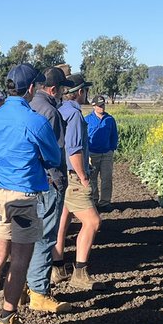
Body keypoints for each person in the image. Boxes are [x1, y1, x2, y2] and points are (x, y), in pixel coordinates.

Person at [0, 64, 65, 324]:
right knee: (20, 259)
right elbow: (52, 157)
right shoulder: (34, 120)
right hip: (24, 196)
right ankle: (7, 318)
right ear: (30, 88)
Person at [25, 66, 75, 309]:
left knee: (28, 236)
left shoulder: (28, 106)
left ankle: (26, 285)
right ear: (54, 89)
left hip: (28, 182)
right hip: (49, 181)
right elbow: (54, 154)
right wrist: (59, 180)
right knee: (45, 237)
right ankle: (39, 291)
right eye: (63, 89)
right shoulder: (51, 112)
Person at [54, 75, 101, 291]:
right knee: (92, 222)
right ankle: (80, 273)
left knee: (63, 218)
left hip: (61, 174)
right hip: (74, 175)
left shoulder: (60, 110)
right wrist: (83, 177)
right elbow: (73, 150)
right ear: (80, 92)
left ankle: (57, 266)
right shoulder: (73, 114)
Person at [85, 95, 119, 210]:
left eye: (103, 105)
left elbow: (114, 135)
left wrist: (112, 149)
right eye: (99, 106)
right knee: (92, 179)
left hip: (107, 154)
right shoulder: (87, 120)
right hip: (92, 153)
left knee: (107, 178)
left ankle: (105, 202)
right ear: (93, 106)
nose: (102, 107)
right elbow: (84, 137)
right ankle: (94, 201)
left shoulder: (110, 119)